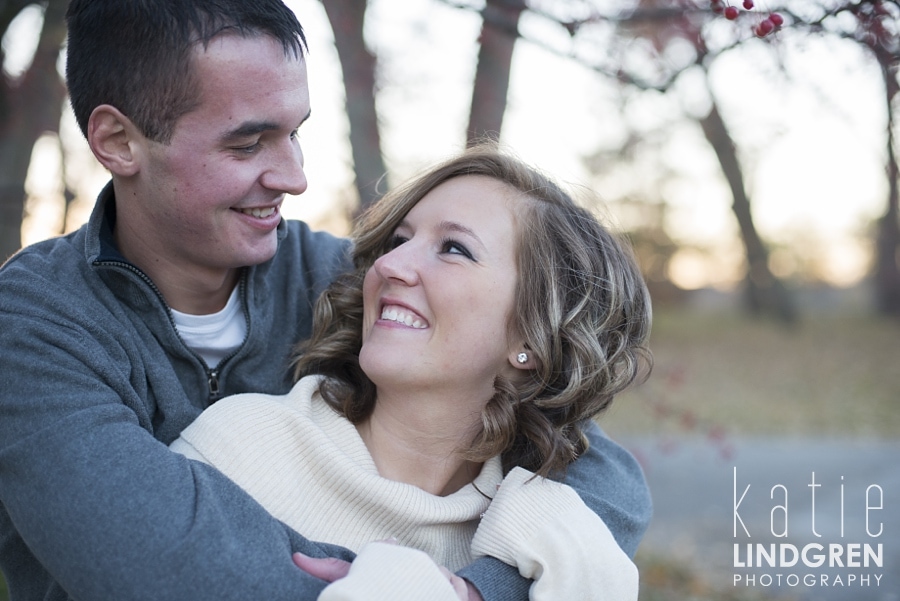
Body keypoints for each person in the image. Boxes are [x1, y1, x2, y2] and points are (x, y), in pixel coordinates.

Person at [0, 0, 652, 599]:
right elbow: (166, 564)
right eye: (248, 142)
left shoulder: (350, 280)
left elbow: (596, 466)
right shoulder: (33, 328)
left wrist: (478, 588)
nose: (294, 176)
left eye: (295, 132)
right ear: (118, 141)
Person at [170, 144, 654, 600]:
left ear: (531, 338)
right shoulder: (243, 449)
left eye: (454, 249)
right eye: (399, 240)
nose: (391, 264)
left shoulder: (547, 531)